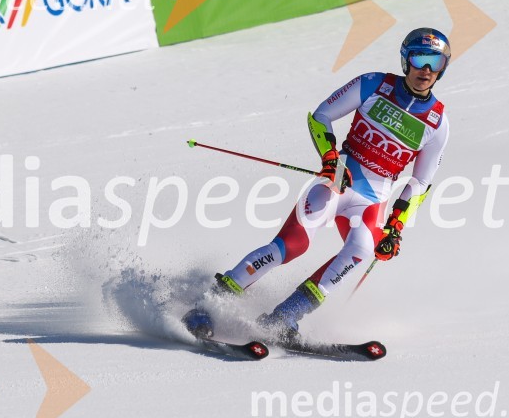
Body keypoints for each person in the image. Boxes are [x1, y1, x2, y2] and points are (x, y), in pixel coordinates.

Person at [184, 28, 452, 343]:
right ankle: (209, 303)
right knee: (291, 245)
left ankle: (285, 317)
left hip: (371, 202)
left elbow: (420, 182)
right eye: (420, 59)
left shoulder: (437, 122)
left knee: (360, 249)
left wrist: (396, 225)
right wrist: (330, 160)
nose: (427, 70)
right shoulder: (374, 84)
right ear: (406, 60)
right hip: (338, 182)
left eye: (435, 62)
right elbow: (320, 116)